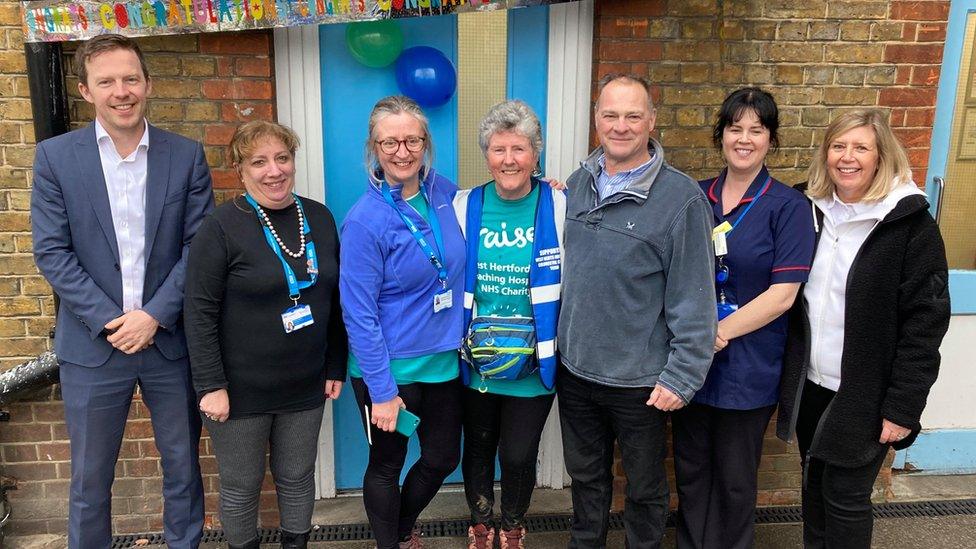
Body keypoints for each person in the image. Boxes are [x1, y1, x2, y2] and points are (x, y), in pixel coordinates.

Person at [30, 34, 211, 549]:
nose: (121, 91)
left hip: (168, 344)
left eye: (130, 78)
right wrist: (114, 320)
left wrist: (153, 316)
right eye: (106, 81)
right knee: (89, 482)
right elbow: (52, 253)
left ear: (147, 85)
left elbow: (198, 248)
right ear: (86, 90)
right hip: (93, 347)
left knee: (182, 470)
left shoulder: (186, 155)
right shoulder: (55, 158)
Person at [777, 109, 950, 548]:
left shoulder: (909, 225)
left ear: (880, 156)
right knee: (813, 487)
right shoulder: (807, 209)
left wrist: (903, 405)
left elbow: (925, 324)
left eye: (861, 148)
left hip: (867, 392)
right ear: (826, 153)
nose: (847, 157)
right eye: (839, 146)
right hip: (811, 384)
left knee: (846, 497)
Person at [556, 73, 716, 549]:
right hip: (577, 371)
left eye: (632, 115)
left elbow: (695, 296)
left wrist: (682, 376)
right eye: (610, 115)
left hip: (641, 382)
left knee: (645, 491)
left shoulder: (681, 199)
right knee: (586, 482)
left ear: (651, 120)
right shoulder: (579, 185)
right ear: (596, 120)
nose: (620, 126)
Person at [183, 121, 347, 549]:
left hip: (305, 382)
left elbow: (333, 297)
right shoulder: (221, 227)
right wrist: (211, 385)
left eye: (282, 158)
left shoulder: (319, 217)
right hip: (238, 390)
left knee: (297, 478)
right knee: (241, 487)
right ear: (240, 170)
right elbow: (198, 312)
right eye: (259, 161)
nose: (274, 171)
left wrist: (335, 364)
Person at [670, 88, 815, 549]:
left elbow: (782, 295)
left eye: (757, 129)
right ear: (721, 136)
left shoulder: (788, 208)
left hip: (747, 369)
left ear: (771, 139)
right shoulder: (696, 197)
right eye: (736, 128)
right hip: (692, 366)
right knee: (691, 475)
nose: (745, 139)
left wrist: (715, 333)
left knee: (734, 482)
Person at [340, 95, 465, 549]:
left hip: (444, 363)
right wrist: (382, 391)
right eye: (389, 142)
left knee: (442, 457)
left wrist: (542, 191)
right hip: (388, 369)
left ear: (425, 143)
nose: (402, 151)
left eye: (412, 139)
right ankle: (389, 544)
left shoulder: (446, 193)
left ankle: (402, 526)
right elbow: (359, 314)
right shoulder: (364, 221)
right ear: (374, 148)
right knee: (387, 465)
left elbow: (496, 206)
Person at [452, 100, 565, 549]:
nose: (509, 160)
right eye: (499, 149)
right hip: (479, 358)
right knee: (478, 446)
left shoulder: (559, 203)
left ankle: (513, 524)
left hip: (536, 362)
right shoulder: (465, 204)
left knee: (518, 453)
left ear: (536, 154)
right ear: (487, 155)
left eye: (519, 148)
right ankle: (480, 523)